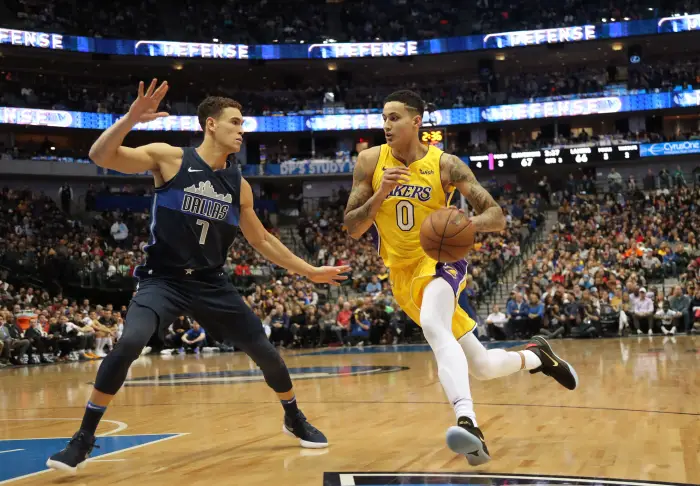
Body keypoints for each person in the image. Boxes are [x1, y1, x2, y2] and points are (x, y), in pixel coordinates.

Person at [47, 79, 350, 473]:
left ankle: (293, 416)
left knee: (266, 352)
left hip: (210, 282)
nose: (242, 130)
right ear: (211, 124)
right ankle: (83, 438)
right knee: (129, 344)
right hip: (163, 280)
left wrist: (310, 271)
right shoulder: (169, 158)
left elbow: (260, 239)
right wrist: (131, 119)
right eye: (236, 122)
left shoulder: (238, 184)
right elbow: (100, 155)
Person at [343, 90, 578, 466]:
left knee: (435, 325)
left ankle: (468, 423)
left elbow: (497, 216)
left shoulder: (446, 164)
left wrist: (458, 225)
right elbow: (352, 227)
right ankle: (537, 357)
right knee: (482, 367)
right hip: (401, 274)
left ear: (416, 121)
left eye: (395, 118)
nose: (386, 125)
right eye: (384, 118)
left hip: (440, 261)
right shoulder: (369, 162)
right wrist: (380, 194)